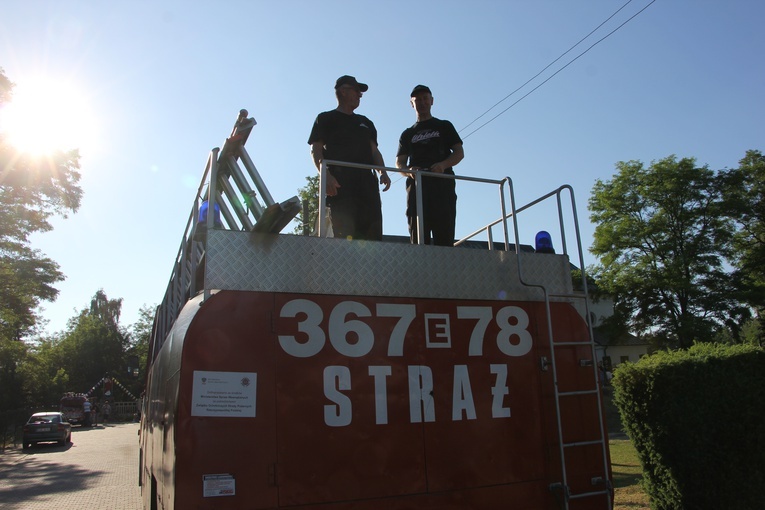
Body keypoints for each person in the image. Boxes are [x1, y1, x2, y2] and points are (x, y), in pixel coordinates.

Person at [308, 75, 391, 241]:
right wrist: (325, 175)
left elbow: (374, 152)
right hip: (341, 183)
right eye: (357, 91)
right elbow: (315, 149)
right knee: (345, 236)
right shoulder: (325, 118)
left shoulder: (365, 122)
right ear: (343, 91)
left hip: (367, 184)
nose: (360, 95)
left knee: (372, 236)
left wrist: (383, 172)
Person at [396, 85, 464, 246]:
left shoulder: (444, 126)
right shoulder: (407, 134)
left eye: (425, 98)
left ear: (432, 101)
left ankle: (445, 268)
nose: (422, 102)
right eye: (417, 99)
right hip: (417, 187)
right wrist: (408, 171)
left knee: (444, 235)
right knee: (418, 237)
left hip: (442, 186)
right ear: (412, 104)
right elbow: (400, 163)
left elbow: (459, 152)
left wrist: (443, 165)